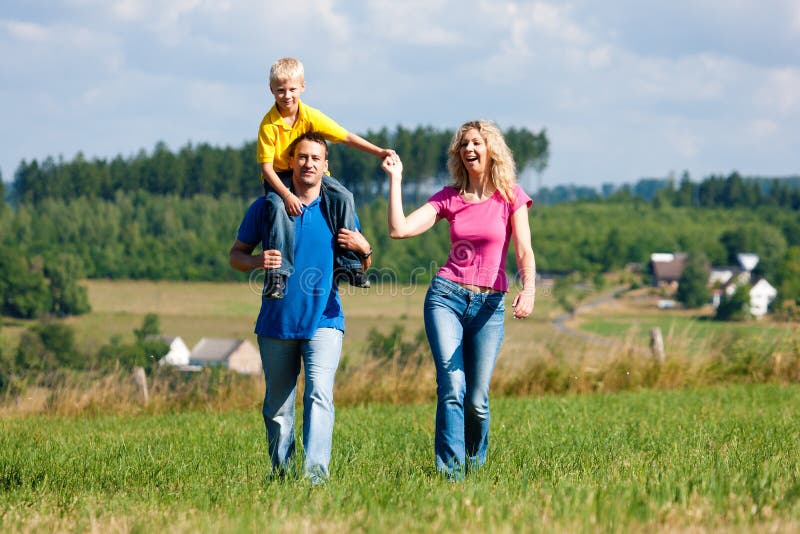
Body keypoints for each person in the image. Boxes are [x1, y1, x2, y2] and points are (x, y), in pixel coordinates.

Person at [383, 120, 536, 478]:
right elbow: (399, 229)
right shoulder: (449, 197)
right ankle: (450, 474)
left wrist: (528, 288)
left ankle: (475, 466)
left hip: (488, 306)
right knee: (452, 385)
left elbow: (524, 251)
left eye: (476, 143)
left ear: (491, 149)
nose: (469, 149)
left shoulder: (511, 196)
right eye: (463, 145)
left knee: (477, 401)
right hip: (446, 297)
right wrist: (395, 179)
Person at [230, 132, 373, 484]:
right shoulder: (265, 208)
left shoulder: (337, 207)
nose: (308, 163)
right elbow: (235, 256)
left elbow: (359, 267)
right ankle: (280, 475)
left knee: (319, 395)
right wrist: (257, 261)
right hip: (277, 321)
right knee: (277, 407)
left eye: (315, 158)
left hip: (325, 318)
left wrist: (365, 249)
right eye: (302, 157)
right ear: (291, 163)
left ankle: (314, 479)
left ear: (326, 166)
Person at [256, 57, 392, 298]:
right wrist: (287, 195)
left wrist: (379, 151)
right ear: (271, 90)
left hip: (310, 172)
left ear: (302, 87)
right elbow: (266, 168)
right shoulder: (269, 125)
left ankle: (349, 263)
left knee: (344, 196)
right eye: (280, 90)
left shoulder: (310, 116)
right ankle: (278, 275)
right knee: (276, 208)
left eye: (292, 90)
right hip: (279, 177)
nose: (287, 96)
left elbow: (346, 137)